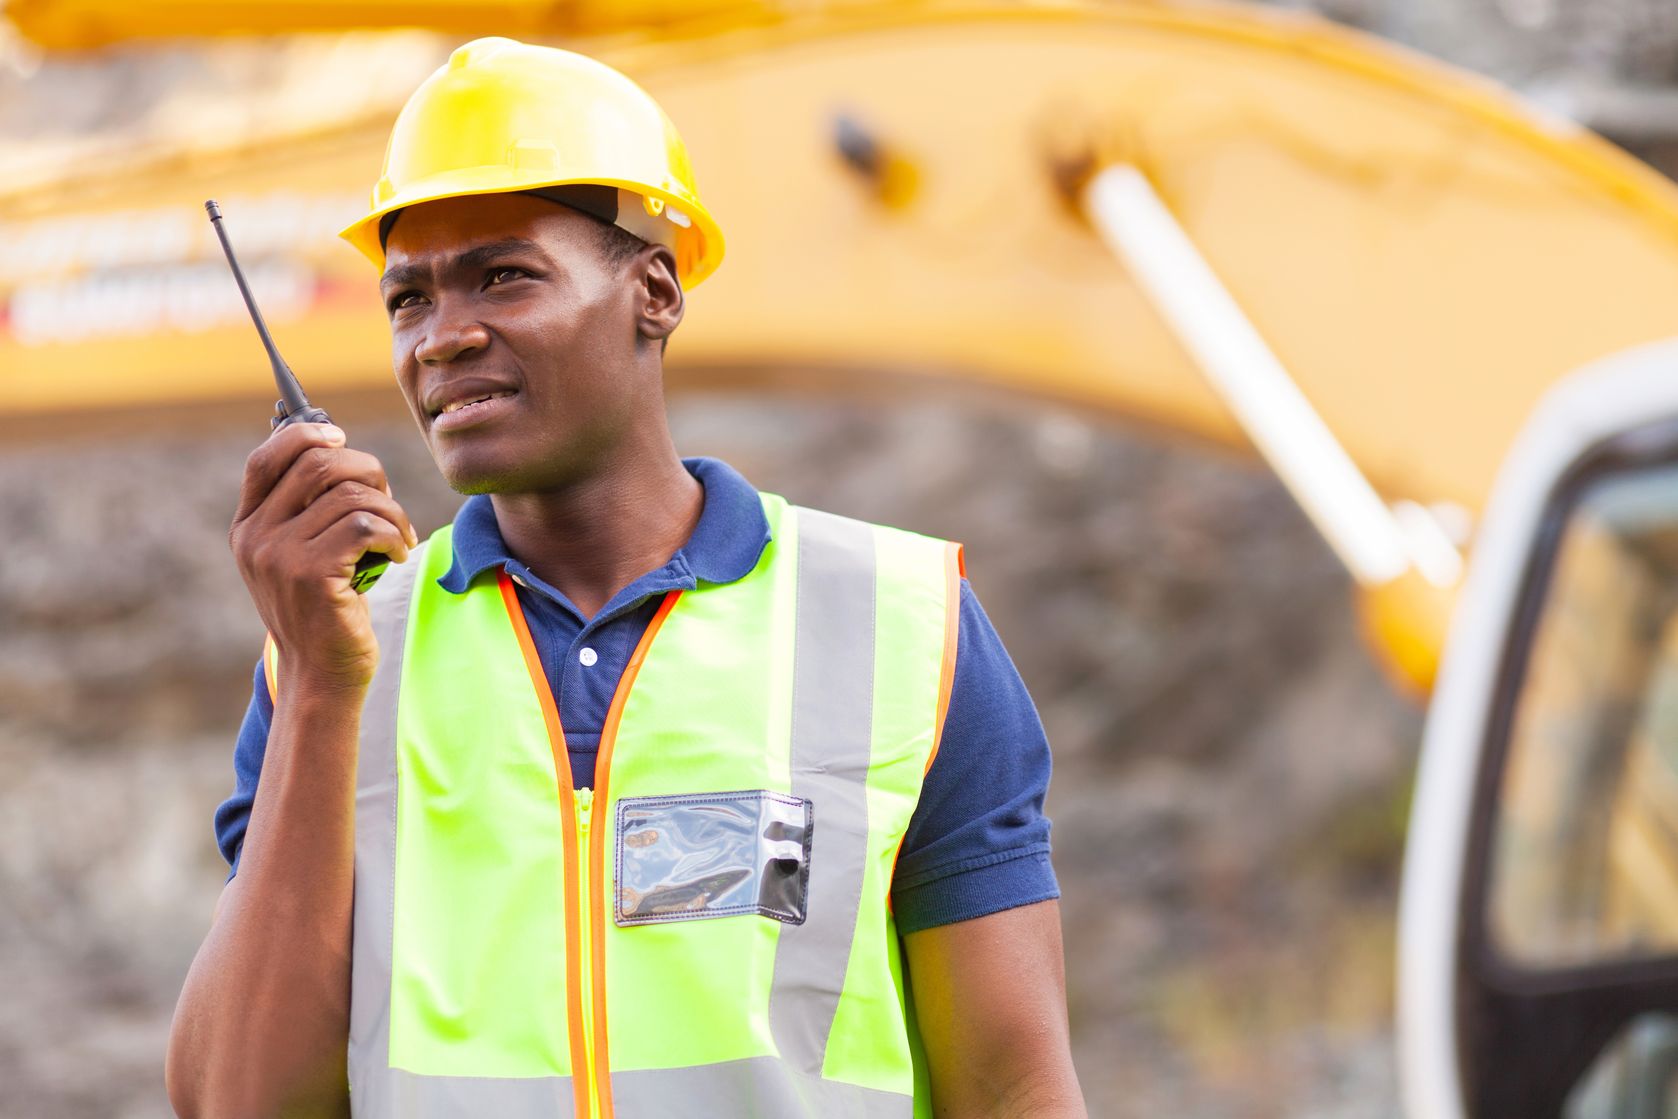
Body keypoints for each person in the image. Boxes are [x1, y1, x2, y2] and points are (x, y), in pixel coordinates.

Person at [166, 36, 1084, 1119]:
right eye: (407, 300)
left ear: (654, 290)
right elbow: (235, 1102)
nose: (443, 338)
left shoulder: (901, 623)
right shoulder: (328, 662)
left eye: (503, 275)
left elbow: (1012, 1085)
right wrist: (321, 685)